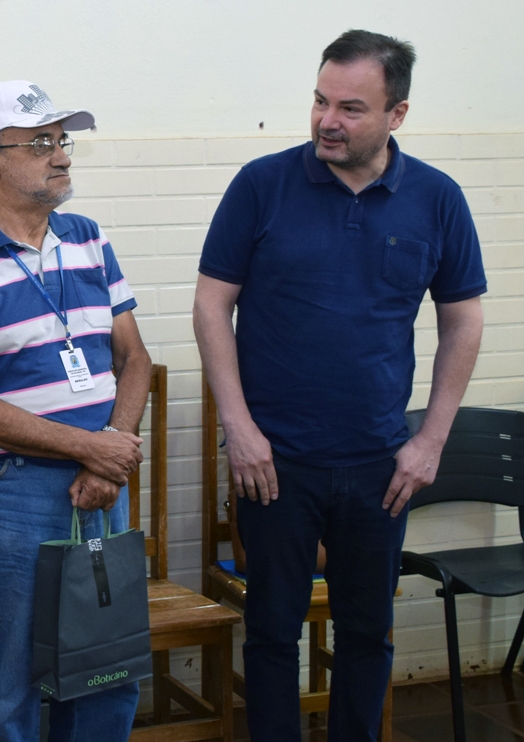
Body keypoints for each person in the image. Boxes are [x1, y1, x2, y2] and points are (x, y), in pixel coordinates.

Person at [193, 30, 486, 741]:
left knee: (366, 633)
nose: (328, 120)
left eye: (351, 108)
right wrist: (238, 427)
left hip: (380, 465)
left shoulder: (438, 198)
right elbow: (210, 305)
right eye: (321, 101)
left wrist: (430, 442)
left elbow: (463, 321)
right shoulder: (262, 185)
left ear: (397, 114)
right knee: (271, 633)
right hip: (273, 463)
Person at [0, 81, 151, 742]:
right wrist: (90, 449)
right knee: (13, 680)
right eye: (41, 143)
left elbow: (134, 358)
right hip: (12, 492)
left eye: (62, 140)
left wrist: (109, 450)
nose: (62, 156)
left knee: (106, 667)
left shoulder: (88, 238)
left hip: (102, 484)